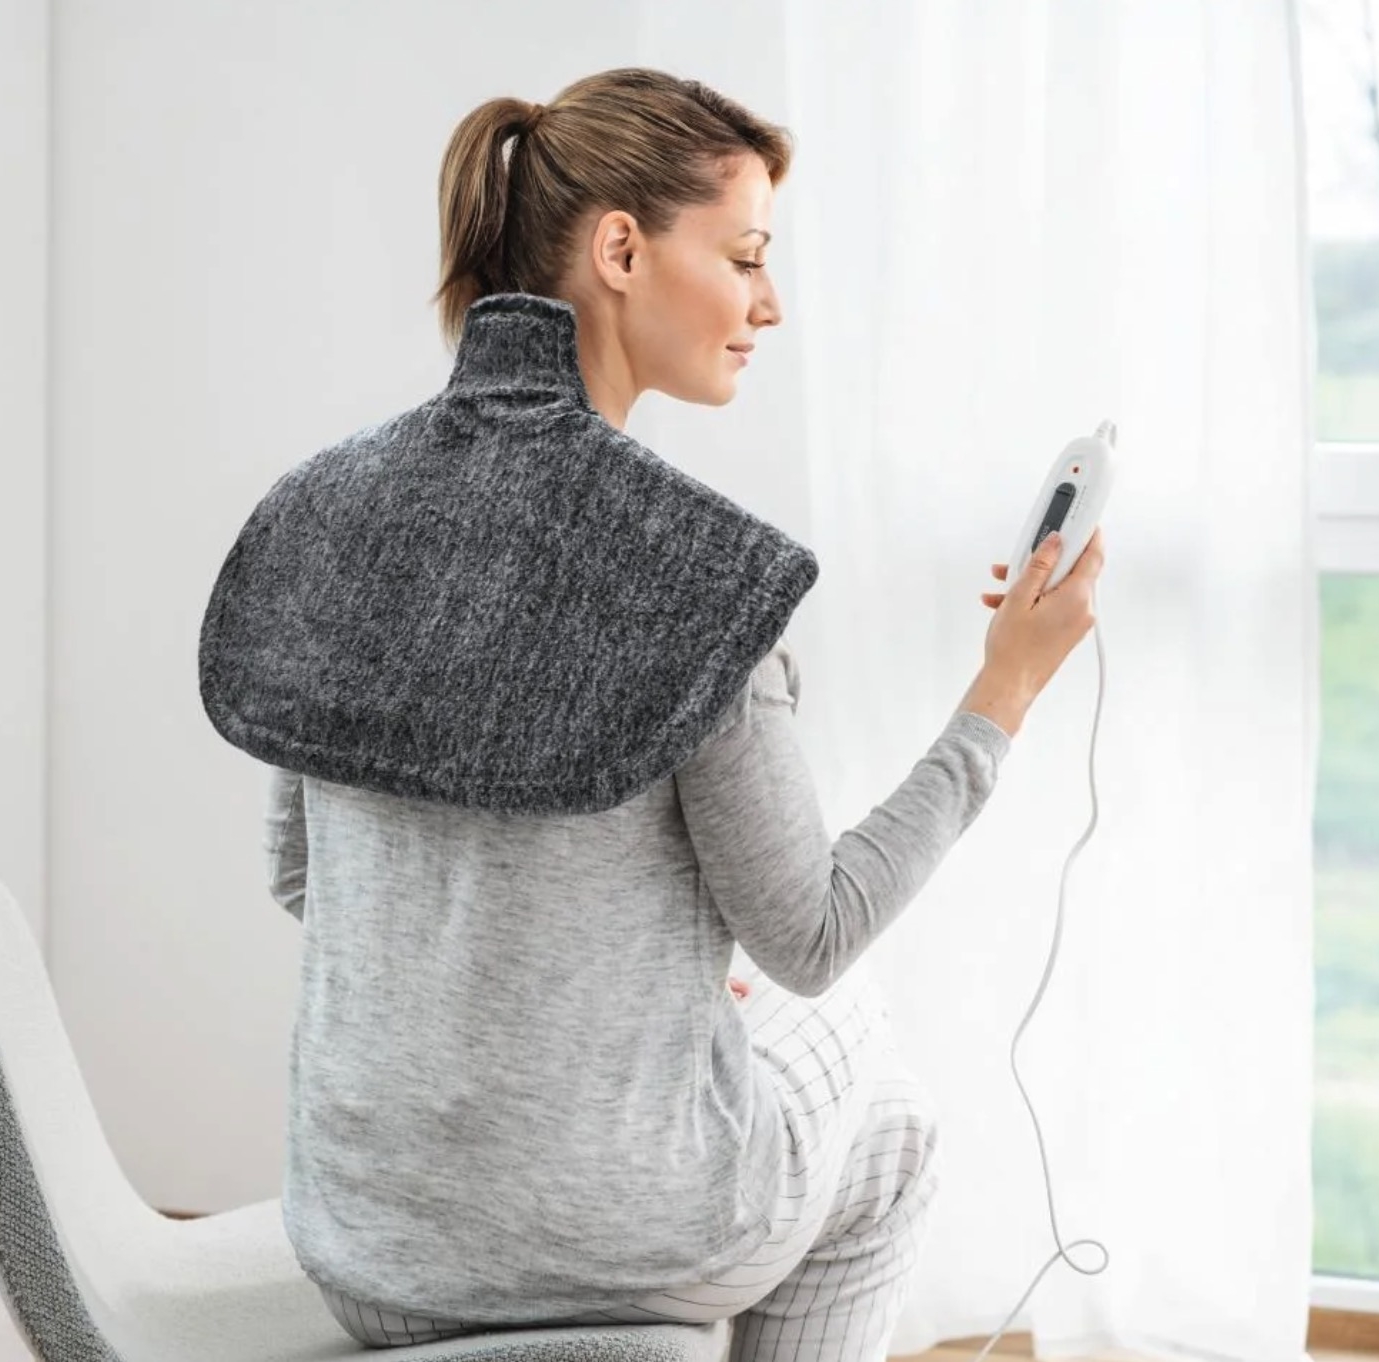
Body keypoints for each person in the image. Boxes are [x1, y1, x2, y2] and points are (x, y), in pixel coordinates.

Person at [261, 66, 1103, 1362]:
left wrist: (620, 968)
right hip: (615, 1234)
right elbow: (812, 933)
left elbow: (301, 875)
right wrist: (1009, 685)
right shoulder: (695, 574)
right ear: (620, 251)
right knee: (885, 1112)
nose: (770, 304)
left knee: (753, 1029)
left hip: (363, 1247)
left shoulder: (334, 509)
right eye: (746, 256)